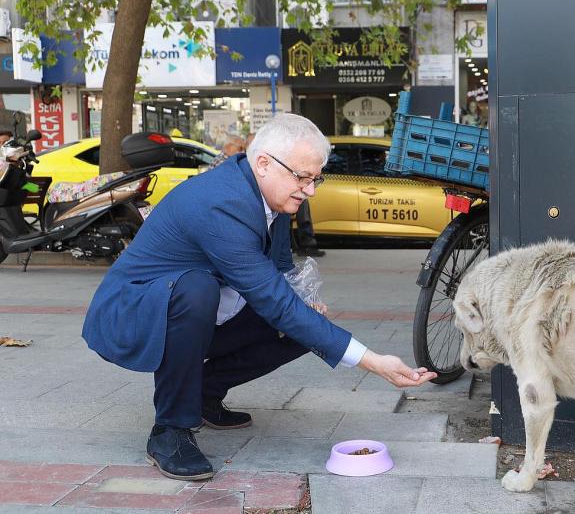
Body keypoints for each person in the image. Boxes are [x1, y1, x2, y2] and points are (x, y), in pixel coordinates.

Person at [81, 114, 436, 481]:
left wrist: (304, 307)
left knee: (304, 328)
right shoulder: (221, 203)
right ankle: (169, 431)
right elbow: (273, 300)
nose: (310, 190)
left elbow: (280, 269)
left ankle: (204, 393)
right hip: (138, 313)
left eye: (316, 178)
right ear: (264, 163)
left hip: (203, 309)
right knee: (198, 291)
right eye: (302, 177)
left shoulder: (272, 195)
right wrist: (373, 362)